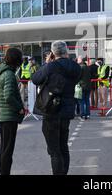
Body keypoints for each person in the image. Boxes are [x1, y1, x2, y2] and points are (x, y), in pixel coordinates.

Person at [31, 40, 81, 175]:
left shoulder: (50, 66)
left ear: (53, 53)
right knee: (63, 145)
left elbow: (35, 79)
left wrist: (47, 63)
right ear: (66, 51)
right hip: (67, 109)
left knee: (54, 150)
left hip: (51, 109)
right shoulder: (76, 67)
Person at [0, 47, 25, 175]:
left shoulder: (3, 72)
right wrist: (19, 108)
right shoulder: (9, 74)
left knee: (4, 149)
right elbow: (8, 96)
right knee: (7, 150)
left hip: (4, 115)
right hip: (9, 116)